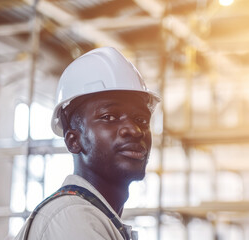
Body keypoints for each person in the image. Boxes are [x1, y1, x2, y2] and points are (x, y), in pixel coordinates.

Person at [14, 47, 161, 240]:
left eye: (141, 119)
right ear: (73, 141)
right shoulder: (72, 219)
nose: (134, 130)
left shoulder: (95, 218)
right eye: (109, 117)